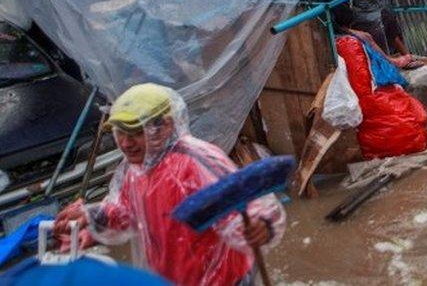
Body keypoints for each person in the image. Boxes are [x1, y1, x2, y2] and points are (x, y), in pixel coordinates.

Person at [53, 83, 285, 285]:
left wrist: (260, 225)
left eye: (135, 132)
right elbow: (125, 212)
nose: (125, 143)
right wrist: (91, 221)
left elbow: (247, 204)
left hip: (224, 280)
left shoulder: (195, 161)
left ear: (165, 126)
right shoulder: (134, 169)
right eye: (120, 133)